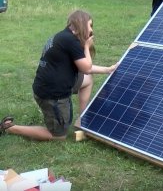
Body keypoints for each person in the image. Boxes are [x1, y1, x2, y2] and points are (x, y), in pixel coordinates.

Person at [0, 10, 118, 140]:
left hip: (53, 84)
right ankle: (10, 127)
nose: (91, 30)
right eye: (90, 25)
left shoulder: (65, 36)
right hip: (52, 95)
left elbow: (85, 69)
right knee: (59, 136)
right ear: (81, 24)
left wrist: (108, 69)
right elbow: (87, 67)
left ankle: (82, 120)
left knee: (87, 79)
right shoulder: (71, 41)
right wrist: (86, 47)